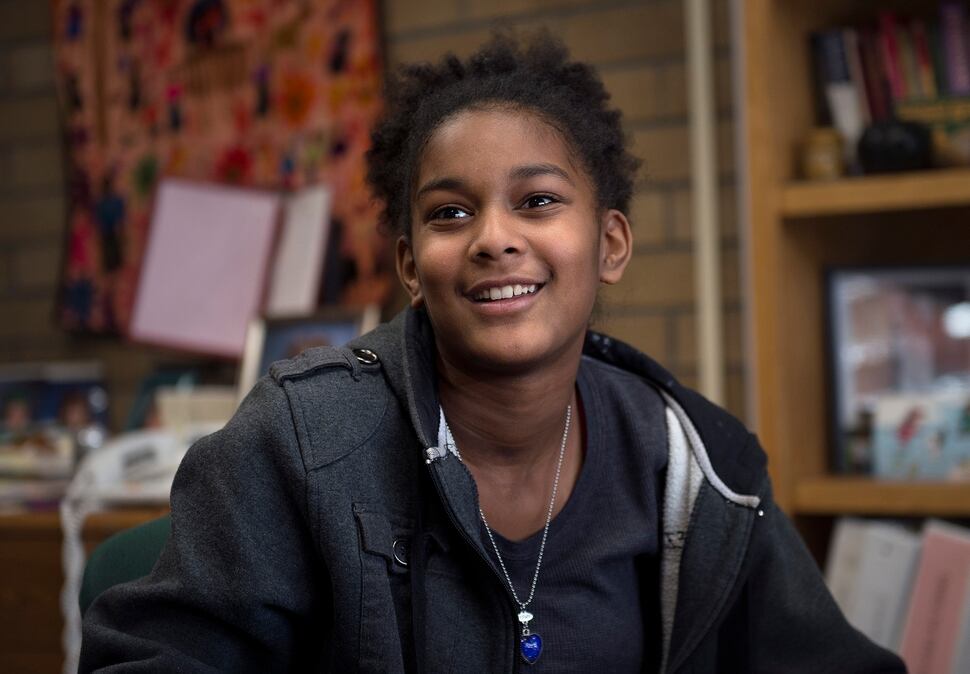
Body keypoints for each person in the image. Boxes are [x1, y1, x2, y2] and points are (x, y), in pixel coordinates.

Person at [81, 33, 906, 673]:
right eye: (449, 214)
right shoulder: (299, 441)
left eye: (538, 201)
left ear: (610, 243)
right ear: (409, 264)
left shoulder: (700, 468)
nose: (494, 239)